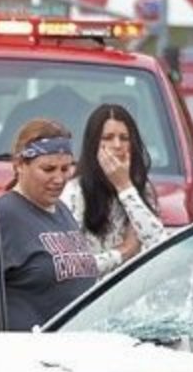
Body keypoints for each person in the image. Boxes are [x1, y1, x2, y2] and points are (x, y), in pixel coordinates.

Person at [0, 118, 99, 332]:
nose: (59, 178)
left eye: (65, 168)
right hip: (27, 354)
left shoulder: (62, 210)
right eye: (48, 169)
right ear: (20, 165)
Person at [60, 104, 166, 276]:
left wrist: (124, 186)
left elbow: (160, 246)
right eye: (108, 138)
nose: (117, 145)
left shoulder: (139, 189)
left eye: (124, 138)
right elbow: (70, 266)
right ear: (94, 143)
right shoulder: (75, 192)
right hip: (93, 296)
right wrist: (123, 252)